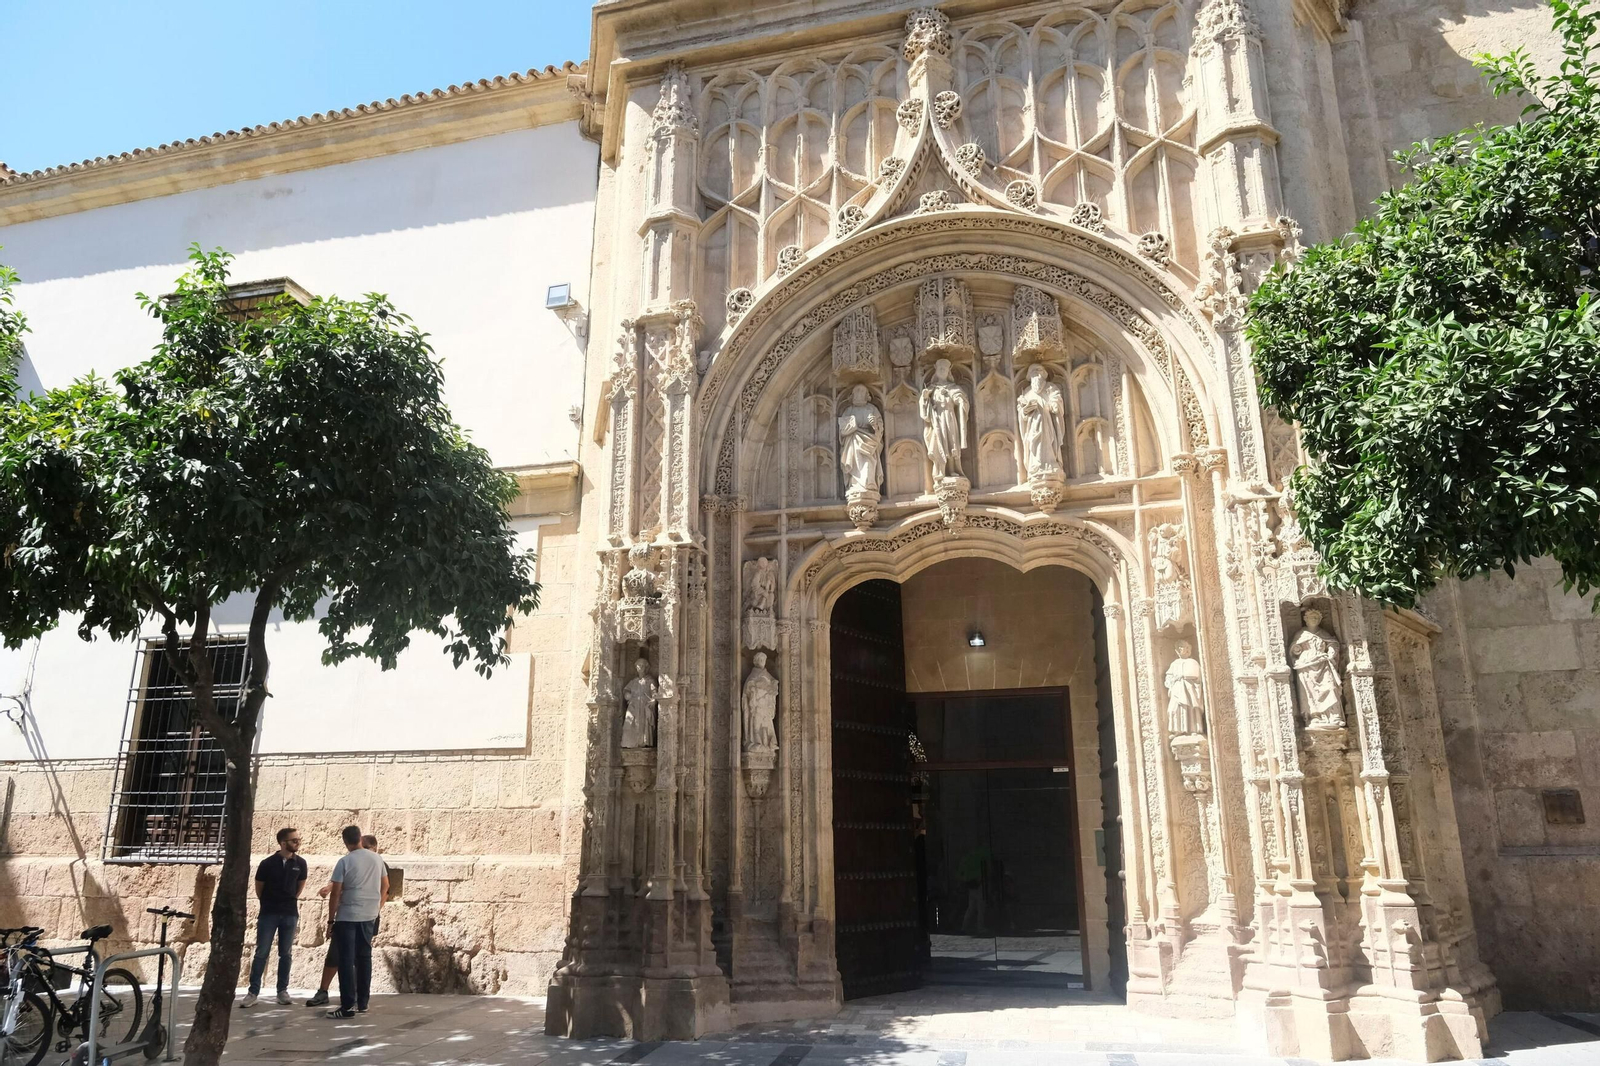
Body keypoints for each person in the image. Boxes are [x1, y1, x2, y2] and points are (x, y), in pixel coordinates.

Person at [306, 833, 386, 1007]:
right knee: (342, 954)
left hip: (358, 916)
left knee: (351, 958)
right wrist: (329, 888)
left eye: (369, 849)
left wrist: (375, 909)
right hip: (360, 915)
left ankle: (350, 1001)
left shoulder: (373, 861)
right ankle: (354, 999)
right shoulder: (356, 861)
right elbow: (339, 884)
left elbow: (385, 889)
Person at [240, 827, 306, 1007]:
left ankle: (282, 991)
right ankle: (253, 992)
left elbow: (299, 886)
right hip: (269, 913)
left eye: (298, 840)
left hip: (290, 913)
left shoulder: (300, 863)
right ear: (283, 843)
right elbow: (259, 888)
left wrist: (288, 899)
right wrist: (269, 902)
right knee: (262, 952)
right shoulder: (267, 863)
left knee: (286, 953)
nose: (297, 843)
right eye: (294, 840)